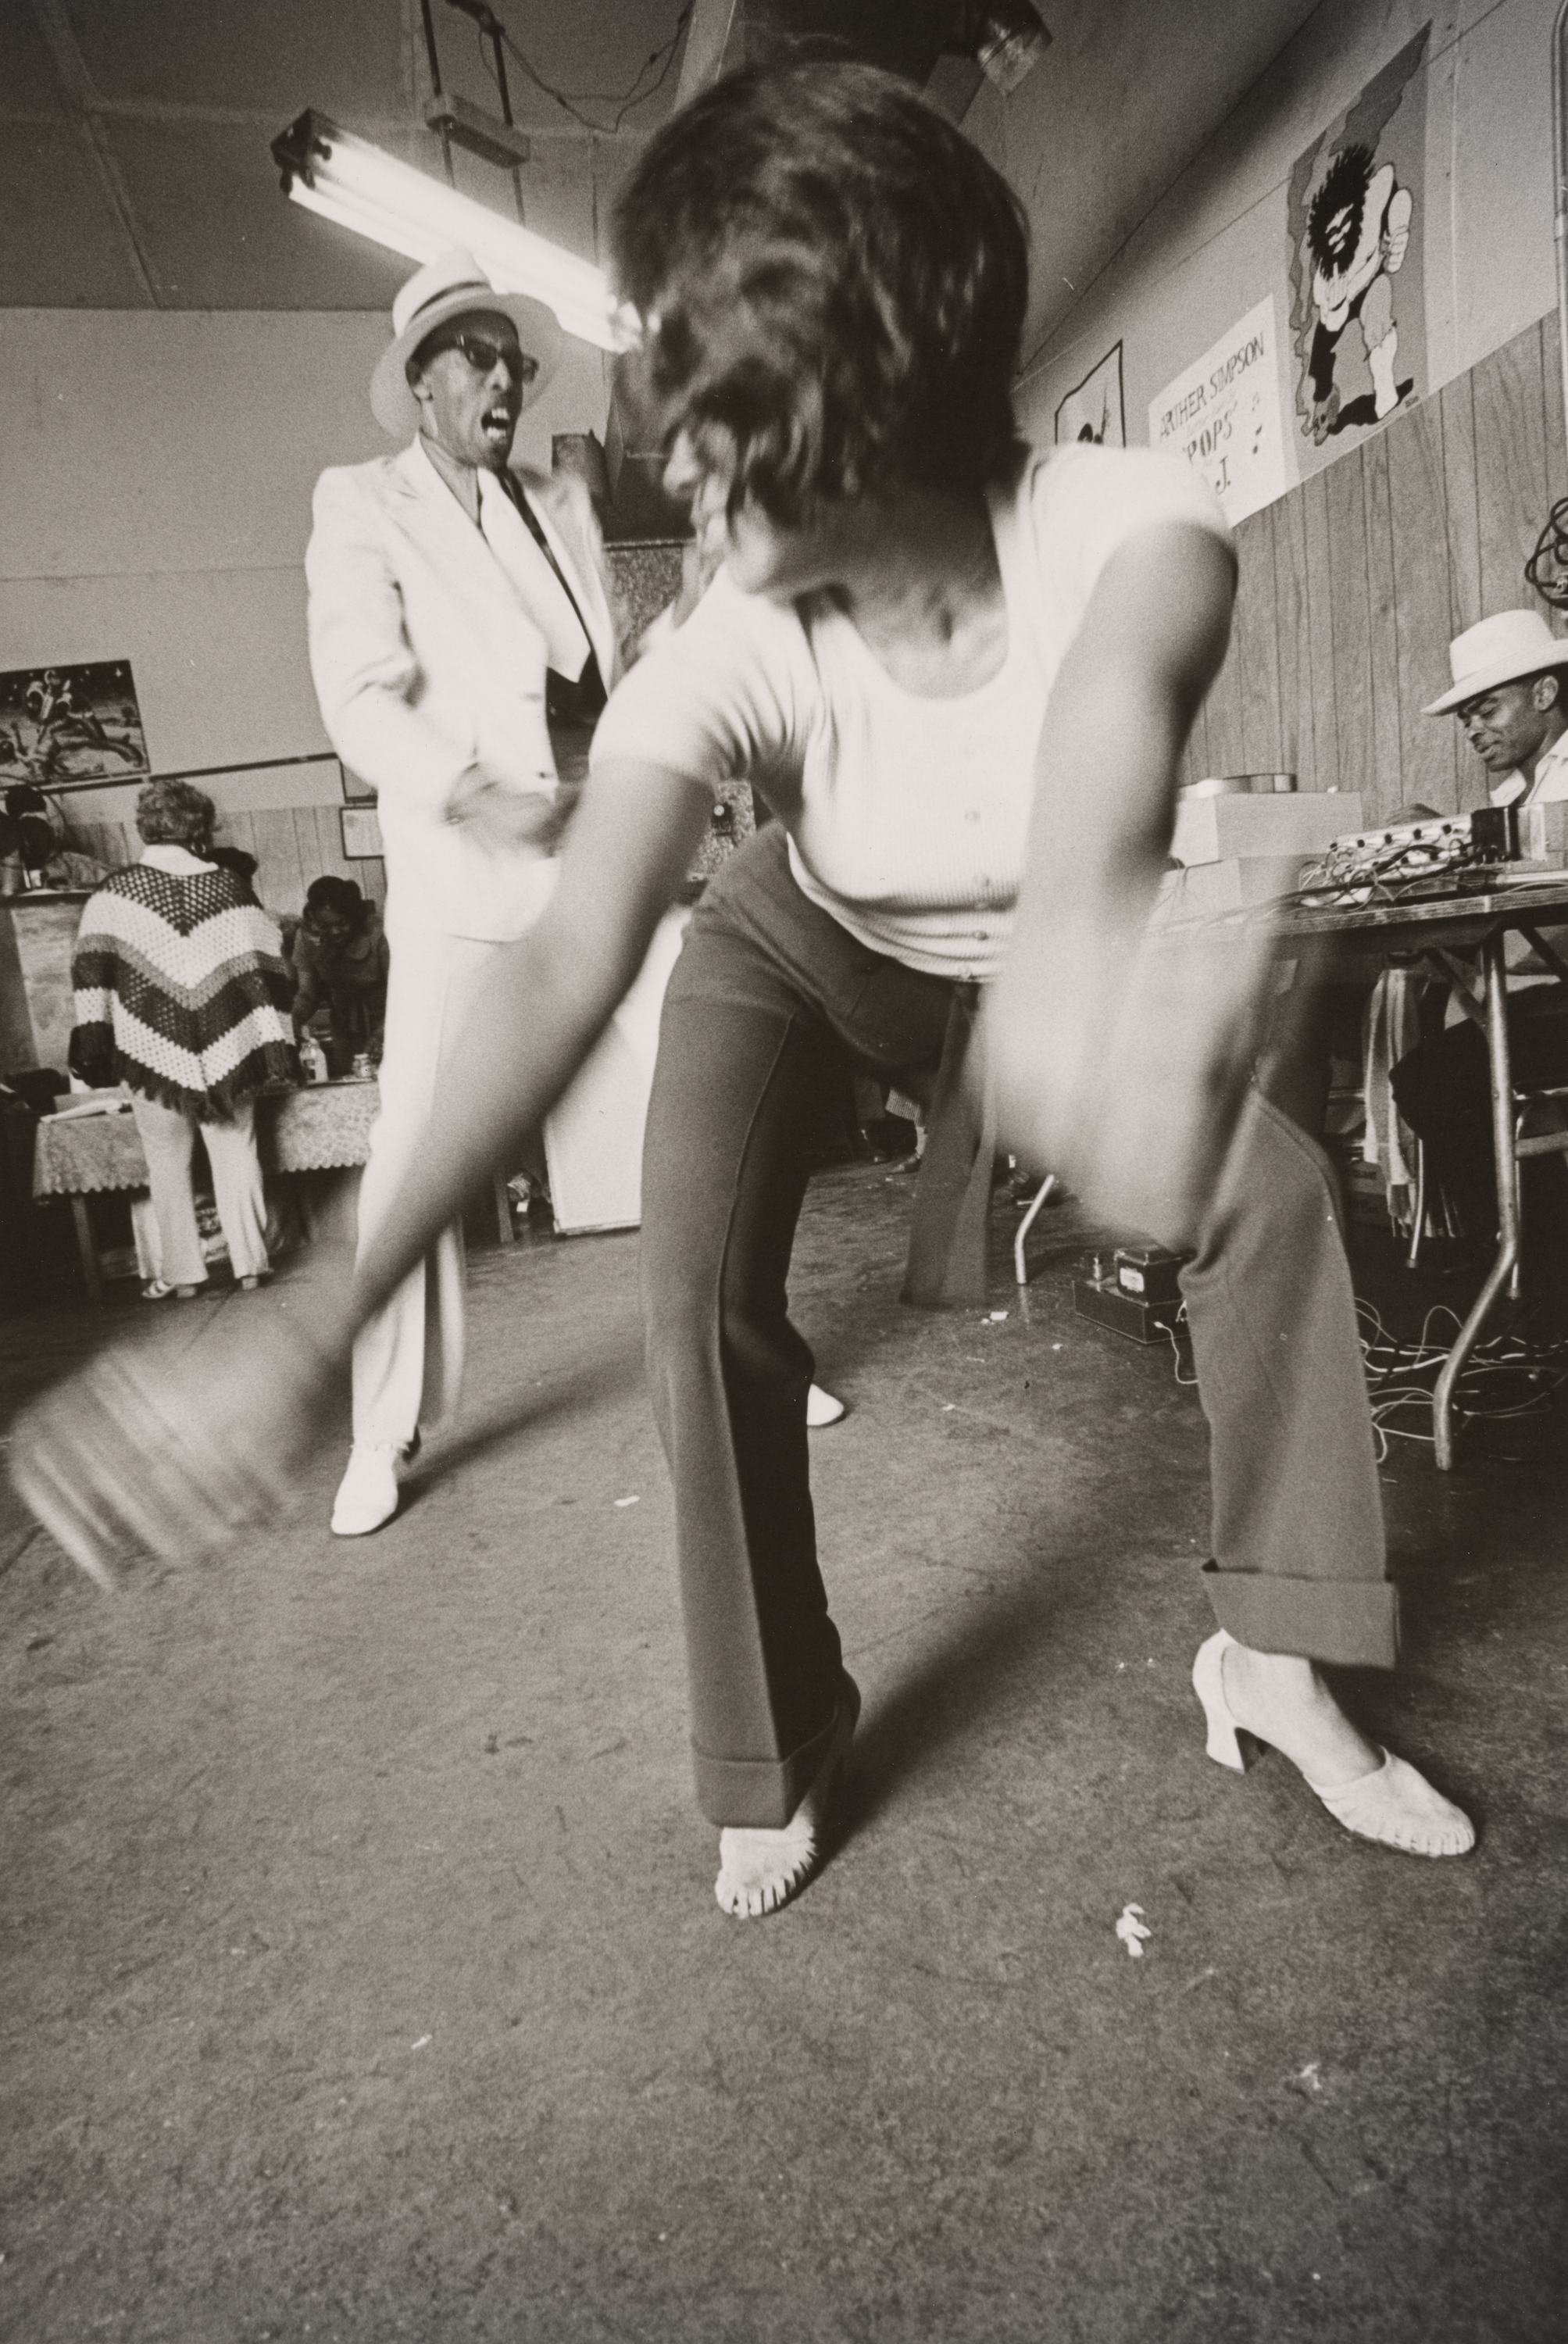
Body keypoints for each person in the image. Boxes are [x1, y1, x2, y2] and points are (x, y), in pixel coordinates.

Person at [18, 66, 1472, 1896]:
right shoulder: (718, 645)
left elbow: (1089, 830)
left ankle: (1269, 1650)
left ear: (853, 414)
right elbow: (564, 962)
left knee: (1268, 1191)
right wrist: (312, 1318)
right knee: (697, 1296)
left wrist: (1104, 1058)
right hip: (792, 948)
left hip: (1019, 966)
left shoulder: (1130, 528)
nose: (674, 470)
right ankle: (770, 1745)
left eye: (705, 424)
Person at [305, 248, 622, 1536]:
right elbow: (357, 696)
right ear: (423, 384)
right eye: (478, 357)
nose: (504, 379)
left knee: (704, 1084)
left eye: (514, 361)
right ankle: (381, 1432)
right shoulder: (362, 500)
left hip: (584, 859)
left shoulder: (553, 502)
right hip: (454, 871)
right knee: (414, 1155)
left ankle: (752, 1353)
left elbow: (593, 674)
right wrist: (469, 791)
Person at [68, 779, 296, 1298]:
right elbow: (270, 968)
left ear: (144, 826)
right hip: (231, 1050)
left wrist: (95, 1040)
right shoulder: (230, 890)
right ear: (200, 827)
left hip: (148, 1051)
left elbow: (89, 972)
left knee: (167, 1167)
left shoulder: (112, 895)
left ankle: (186, 1277)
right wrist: (271, 1038)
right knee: (237, 1154)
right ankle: (251, 1267)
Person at [1391, 609, 1568, 1245]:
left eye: (1486, 709)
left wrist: (1447, 841)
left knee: (1432, 1081)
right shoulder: (1510, 797)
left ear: (1544, 694)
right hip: (1537, 997)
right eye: (1465, 717)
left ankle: (1534, 1263)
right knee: (1432, 1073)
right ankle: (1526, 1260)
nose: (1472, 729)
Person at [290, 876, 391, 1076]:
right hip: (345, 1029)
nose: (334, 931)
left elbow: (404, 994)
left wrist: (382, 1034)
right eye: (325, 926)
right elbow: (307, 995)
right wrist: (290, 1024)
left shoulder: (379, 932)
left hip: (389, 1022)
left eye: (342, 923)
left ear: (354, 917)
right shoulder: (306, 939)